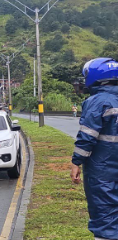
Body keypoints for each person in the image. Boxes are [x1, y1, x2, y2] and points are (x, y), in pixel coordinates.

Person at [71, 57, 118, 240]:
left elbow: (87, 137)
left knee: (104, 215)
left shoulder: (97, 101)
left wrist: (76, 162)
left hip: (102, 171)